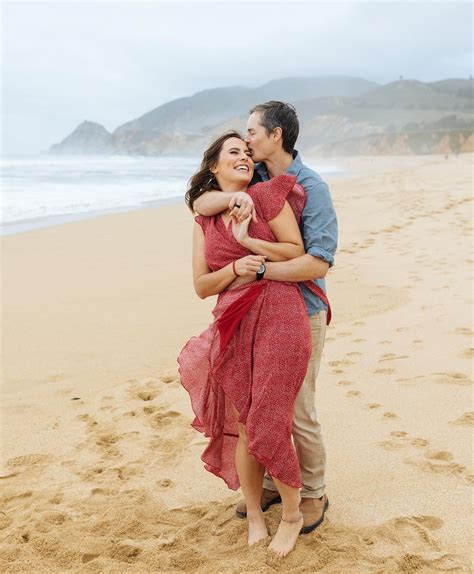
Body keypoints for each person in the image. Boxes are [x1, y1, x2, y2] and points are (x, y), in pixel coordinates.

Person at [177, 131, 331, 558]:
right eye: (234, 152)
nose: (244, 156)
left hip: (281, 311)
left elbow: (295, 250)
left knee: (270, 416)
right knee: (245, 420)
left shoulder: (266, 196)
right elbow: (201, 286)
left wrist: (249, 245)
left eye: (248, 151)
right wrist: (234, 268)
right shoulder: (204, 220)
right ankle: (256, 514)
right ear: (214, 167)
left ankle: (294, 515)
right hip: (233, 320)